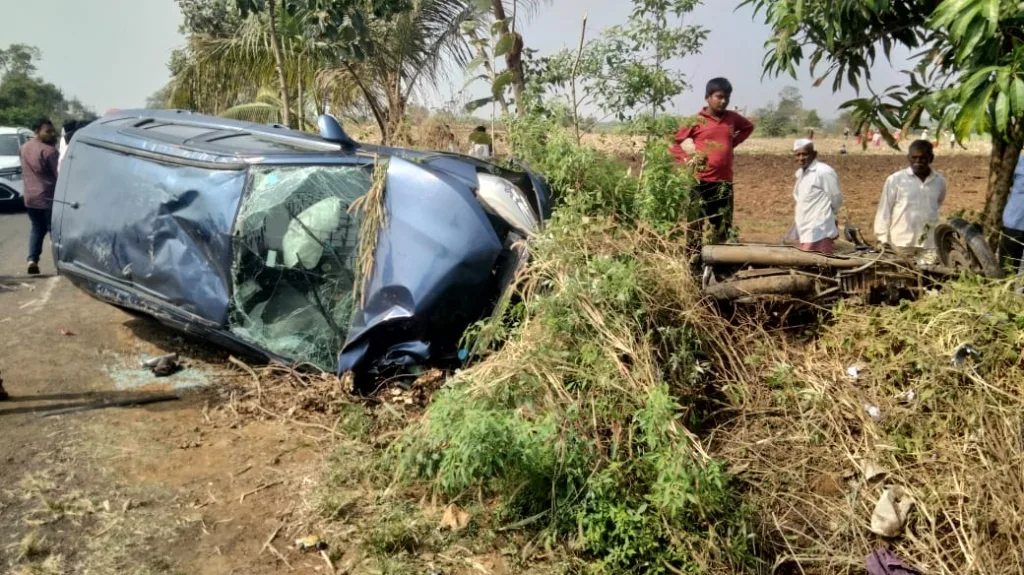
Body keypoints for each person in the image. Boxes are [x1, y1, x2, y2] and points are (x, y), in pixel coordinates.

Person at [670, 77, 755, 244]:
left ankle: (720, 267)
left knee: (722, 227)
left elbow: (748, 127)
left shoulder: (732, 118)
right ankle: (693, 265)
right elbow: (672, 141)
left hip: (724, 183)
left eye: (727, 98)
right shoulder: (696, 121)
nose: (724, 101)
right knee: (695, 227)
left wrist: (733, 143)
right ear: (708, 97)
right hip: (700, 183)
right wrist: (687, 159)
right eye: (719, 97)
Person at [873, 140, 947, 259]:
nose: (918, 162)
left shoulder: (939, 181)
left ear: (931, 158)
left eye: (923, 158)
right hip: (901, 242)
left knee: (929, 276)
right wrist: (882, 239)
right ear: (908, 158)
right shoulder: (896, 180)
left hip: (928, 244)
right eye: (914, 158)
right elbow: (884, 209)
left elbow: (938, 204)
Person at [19, 117, 60, 275]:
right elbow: (58, 174)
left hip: (30, 197)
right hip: (48, 197)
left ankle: (32, 259)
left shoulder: (24, 148)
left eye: (51, 131)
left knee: (37, 228)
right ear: (37, 132)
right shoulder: (49, 152)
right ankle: (59, 264)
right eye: (47, 131)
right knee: (54, 231)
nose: (51, 134)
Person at [792, 139, 843, 254]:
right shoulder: (800, 173)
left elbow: (836, 197)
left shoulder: (823, 172)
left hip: (820, 227)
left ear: (814, 154)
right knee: (806, 262)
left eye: (804, 154)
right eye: (797, 154)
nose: (801, 158)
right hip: (805, 224)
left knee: (820, 263)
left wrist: (831, 215)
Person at [999, 154, 1024, 274]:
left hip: (1014, 221)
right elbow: (1004, 184)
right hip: (1014, 225)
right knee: (1007, 272)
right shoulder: (1019, 160)